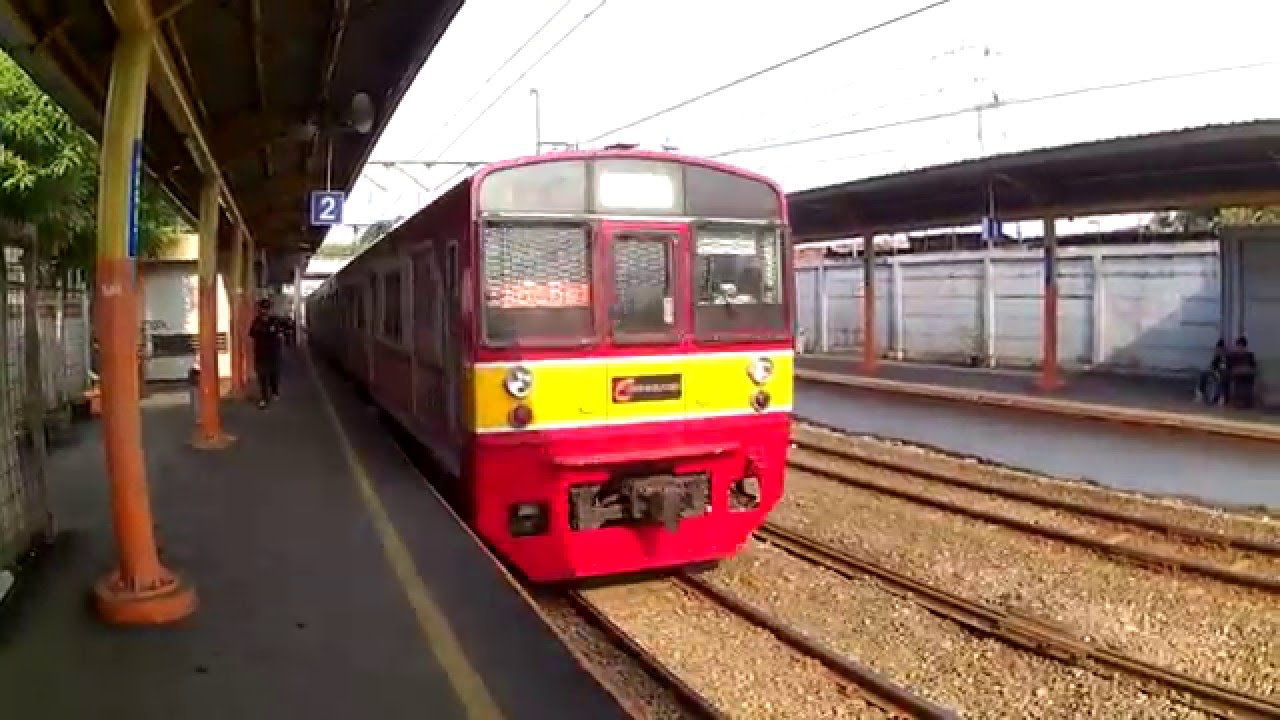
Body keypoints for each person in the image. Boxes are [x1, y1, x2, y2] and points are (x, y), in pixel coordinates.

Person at [249, 299, 283, 409]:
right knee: (262, 377)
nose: (265, 311)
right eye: (263, 308)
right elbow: (252, 333)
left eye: (266, 309)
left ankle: (274, 391)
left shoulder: (275, 321)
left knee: (273, 375)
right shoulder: (256, 321)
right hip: (261, 353)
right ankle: (264, 398)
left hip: (272, 353)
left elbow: (277, 332)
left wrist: (266, 331)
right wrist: (268, 331)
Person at [1224, 336, 1258, 409]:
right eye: (1239, 347)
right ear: (1236, 347)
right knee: (1233, 383)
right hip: (1236, 378)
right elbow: (1228, 370)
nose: (1240, 349)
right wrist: (1236, 370)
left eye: (1242, 347)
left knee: (1248, 385)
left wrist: (1247, 370)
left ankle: (1247, 403)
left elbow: (1254, 368)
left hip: (1247, 378)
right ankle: (1236, 402)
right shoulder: (1231, 356)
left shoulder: (1250, 356)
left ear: (1245, 347)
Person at [1195, 339, 1227, 405]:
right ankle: (1200, 394)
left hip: (1221, 373)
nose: (1218, 350)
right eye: (1217, 349)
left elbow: (1223, 368)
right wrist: (1211, 370)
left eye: (1219, 349)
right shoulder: (1216, 357)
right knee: (1203, 374)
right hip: (1214, 372)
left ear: (1222, 349)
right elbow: (1212, 366)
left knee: (1219, 378)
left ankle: (1221, 397)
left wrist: (1216, 371)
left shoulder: (1224, 357)